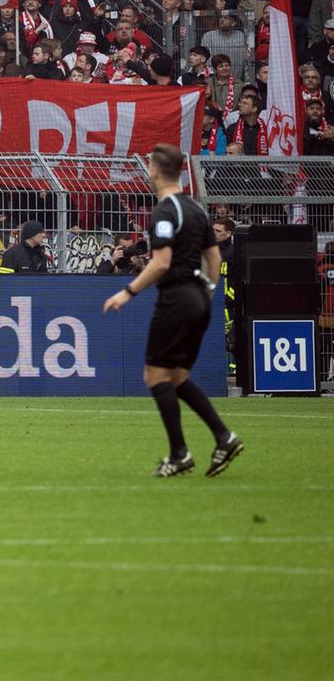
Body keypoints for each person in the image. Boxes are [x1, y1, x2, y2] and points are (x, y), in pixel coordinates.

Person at [103, 144, 243, 479]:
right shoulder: (195, 209)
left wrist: (128, 291)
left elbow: (162, 263)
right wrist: (206, 294)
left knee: (154, 377)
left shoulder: (164, 211)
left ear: (153, 170)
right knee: (177, 378)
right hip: (197, 298)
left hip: (176, 299)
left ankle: (180, 453)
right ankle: (224, 437)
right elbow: (215, 260)